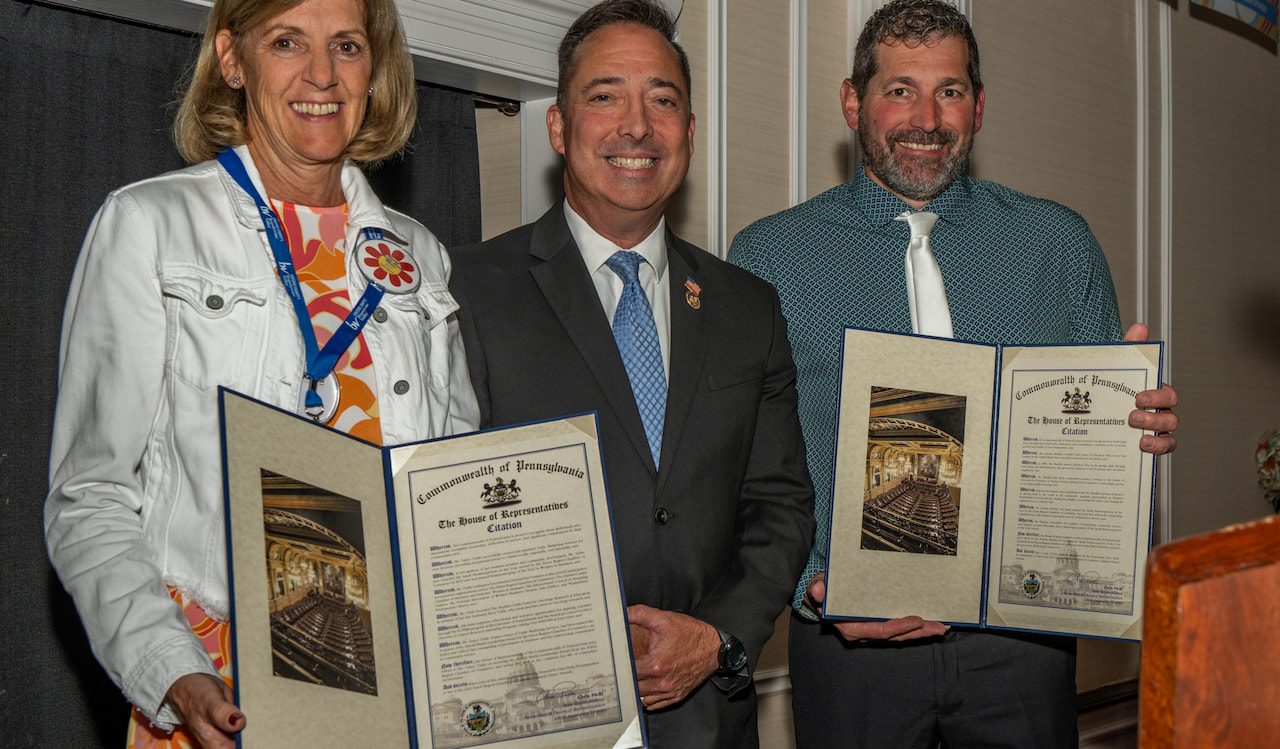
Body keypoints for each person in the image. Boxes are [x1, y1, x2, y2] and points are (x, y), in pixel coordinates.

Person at [728, 1, 1179, 747]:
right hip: (850, 641)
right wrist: (815, 578)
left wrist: (1136, 429)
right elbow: (744, 459)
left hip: (1024, 641)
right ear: (853, 101)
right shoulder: (769, 257)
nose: (928, 119)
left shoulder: (1056, 244)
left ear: (978, 107)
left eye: (951, 91)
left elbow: (1099, 447)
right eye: (900, 89)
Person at [44, 0, 478, 746]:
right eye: (287, 42)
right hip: (212, 680)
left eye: (346, 45)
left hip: (393, 684)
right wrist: (169, 667)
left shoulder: (421, 255)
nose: (322, 75)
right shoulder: (149, 225)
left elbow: (452, 486)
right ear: (232, 60)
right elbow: (90, 495)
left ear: (373, 69)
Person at [448, 1, 815, 746]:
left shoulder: (749, 307)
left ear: (688, 128)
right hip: (530, 716)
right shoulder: (470, 289)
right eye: (605, 94)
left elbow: (781, 507)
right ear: (558, 125)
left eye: (663, 100)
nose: (637, 126)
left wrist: (718, 637)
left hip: (706, 716)